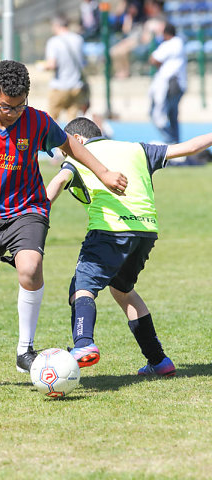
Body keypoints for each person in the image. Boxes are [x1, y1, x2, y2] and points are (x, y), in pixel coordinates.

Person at [0, 61, 127, 387]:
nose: (14, 113)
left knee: (30, 269)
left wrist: (103, 173)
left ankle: (25, 350)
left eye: (20, 106)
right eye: (6, 107)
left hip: (27, 210)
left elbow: (69, 144)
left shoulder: (36, 120)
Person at [46, 116, 212, 376]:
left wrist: (36, 217)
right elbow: (189, 148)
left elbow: (57, 183)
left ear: (77, 140)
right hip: (145, 231)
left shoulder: (80, 154)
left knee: (82, 287)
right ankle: (159, 361)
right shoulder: (137, 148)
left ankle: (83, 344)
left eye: (64, 147)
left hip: (109, 230)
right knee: (123, 290)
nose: (63, 152)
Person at [44, 14, 90, 122]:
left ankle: (52, 139)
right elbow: (83, 61)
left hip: (59, 86)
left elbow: (52, 64)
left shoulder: (53, 42)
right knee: (72, 122)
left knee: (52, 121)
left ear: (56, 25)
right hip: (76, 86)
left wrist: (42, 67)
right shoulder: (78, 39)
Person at [149, 22, 187, 144]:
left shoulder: (171, 43)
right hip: (177, 84)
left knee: (157, 114)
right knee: (172, 115)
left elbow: (154, 59)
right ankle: (175, 141)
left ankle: (171, 140)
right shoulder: (180, 42)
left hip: (171, 84)